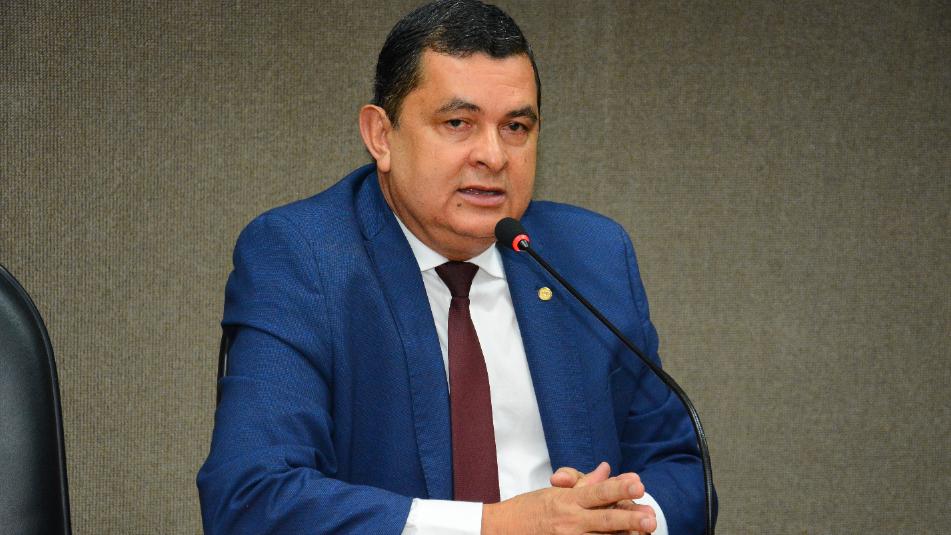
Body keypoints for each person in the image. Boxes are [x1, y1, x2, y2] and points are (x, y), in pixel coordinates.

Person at [197, 1, 710, 533]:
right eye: (459, 123)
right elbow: (252, 497)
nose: (493, 155)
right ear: (380, 136)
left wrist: (627, 521)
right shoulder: (302, 256)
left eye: (515, 127)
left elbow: (681, 468)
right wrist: (495, 527)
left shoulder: (590, 255)